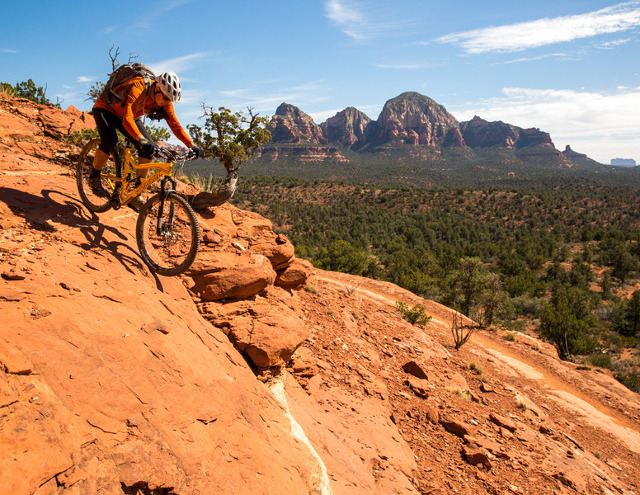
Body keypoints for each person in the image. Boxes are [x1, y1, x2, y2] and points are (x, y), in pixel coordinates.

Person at [90, 70, 202, 208]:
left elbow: (175, 125)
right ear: (157, 88)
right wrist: (139, 138)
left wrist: (192, 145)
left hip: (128, 114)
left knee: (148, 150)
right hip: (106, 109)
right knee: (110, 140)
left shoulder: (164, 99)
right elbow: (127, 119)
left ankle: (136, 194)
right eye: (166, 98)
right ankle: (94, 175)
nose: (167, 102)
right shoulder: (138, 87)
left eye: (169, 99)